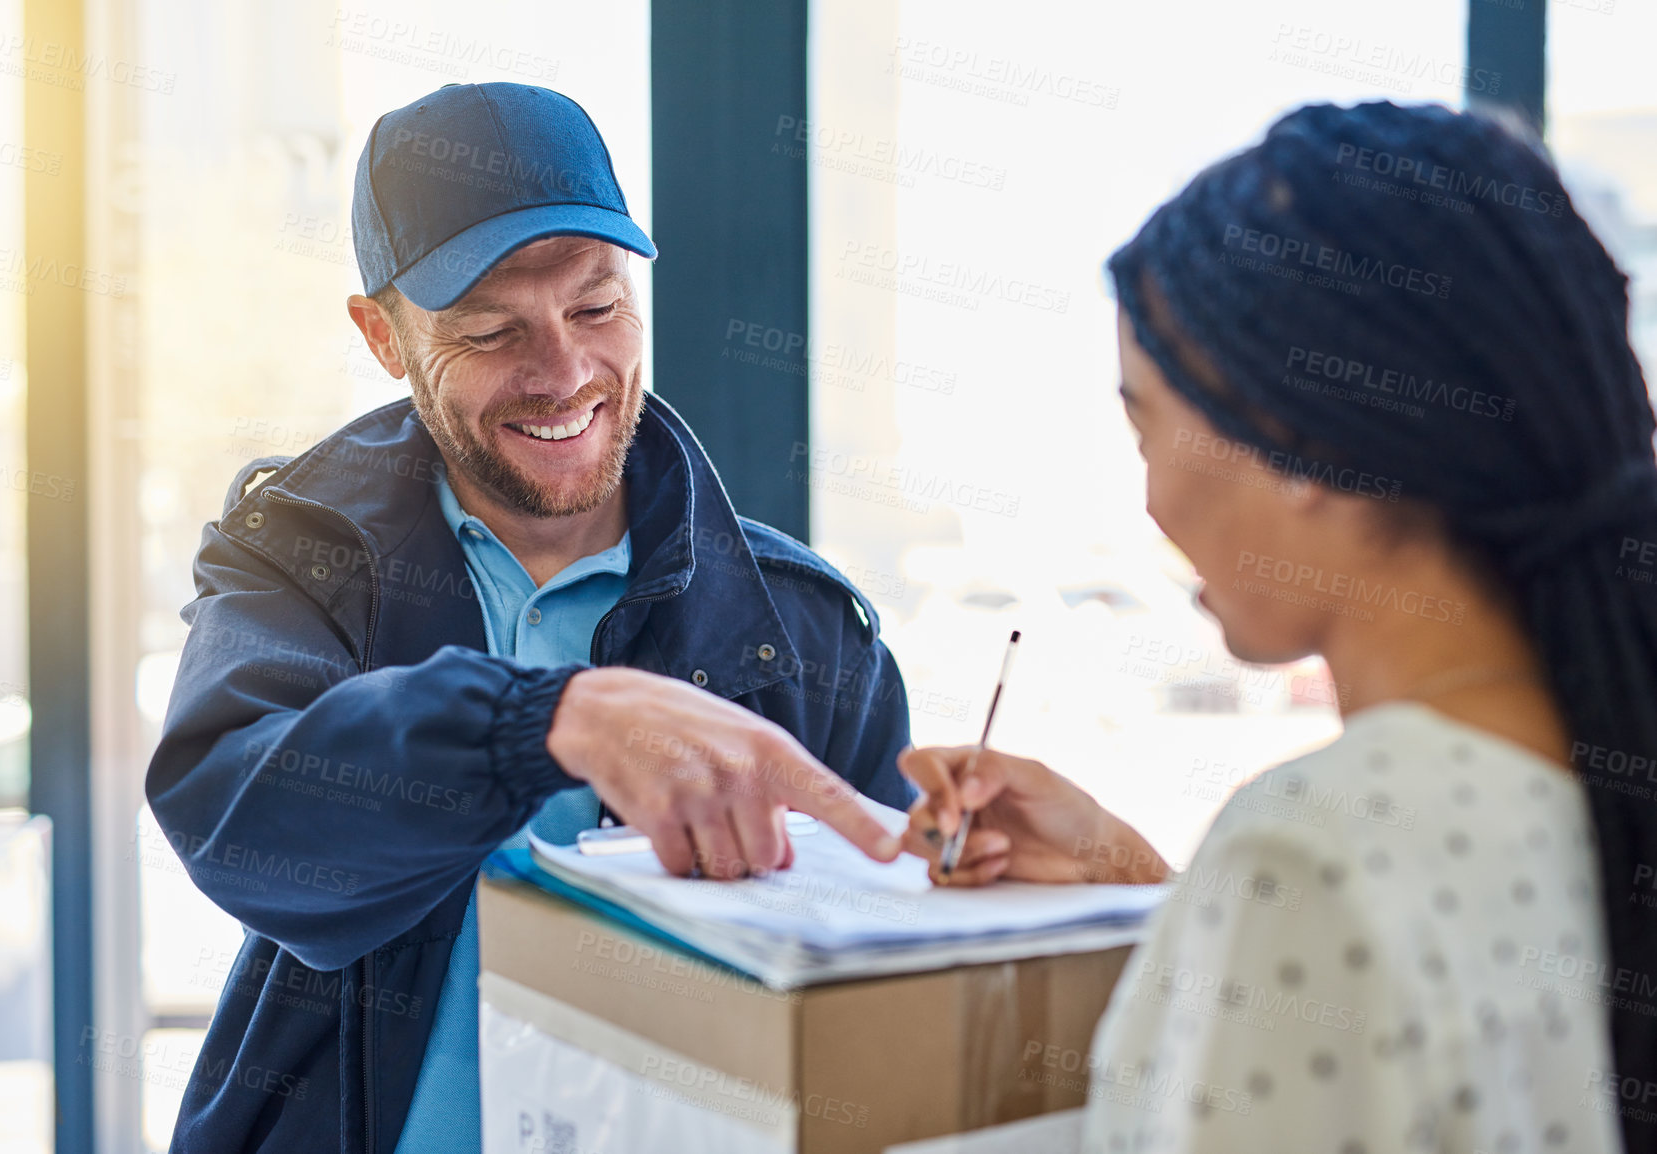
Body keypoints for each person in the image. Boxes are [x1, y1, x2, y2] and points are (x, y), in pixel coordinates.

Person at [145, 82, 911, 1154]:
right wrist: (538, 720)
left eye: (596, 308)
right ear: (382, 335)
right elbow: (237, 821)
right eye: (490, 329)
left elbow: (890, 991)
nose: (562, 374)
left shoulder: (800, 626)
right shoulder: (302, 560)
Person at [902, 101, 1655, 1153]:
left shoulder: (1313, 852)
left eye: (1142, 422)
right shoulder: (1579, 768)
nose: (1150, 498)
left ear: (1298, 443)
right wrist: (1139, 875)